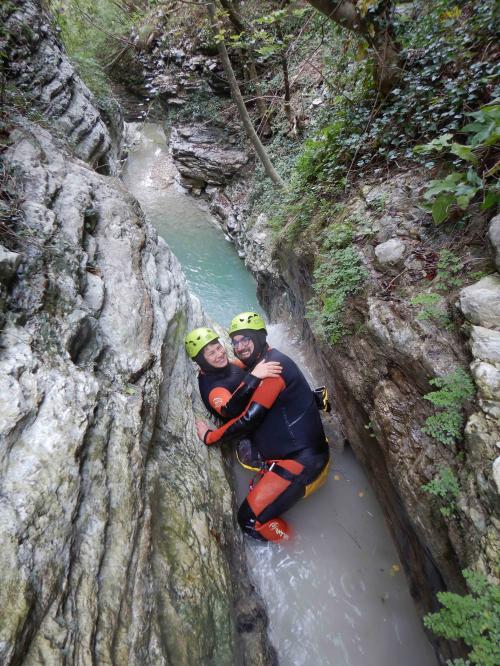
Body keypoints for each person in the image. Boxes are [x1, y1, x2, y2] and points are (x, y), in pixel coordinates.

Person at [195, 312, 330, 543]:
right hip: (301, 448)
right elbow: (238, 374)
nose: (240, 346)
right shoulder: (261, 362)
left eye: (246, 339)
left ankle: (293, 544)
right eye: (235, 341)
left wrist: (209, 436)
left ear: (259, 338)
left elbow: (247, 420)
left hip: (301, 463)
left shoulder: (271, 372)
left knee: (248, 520)